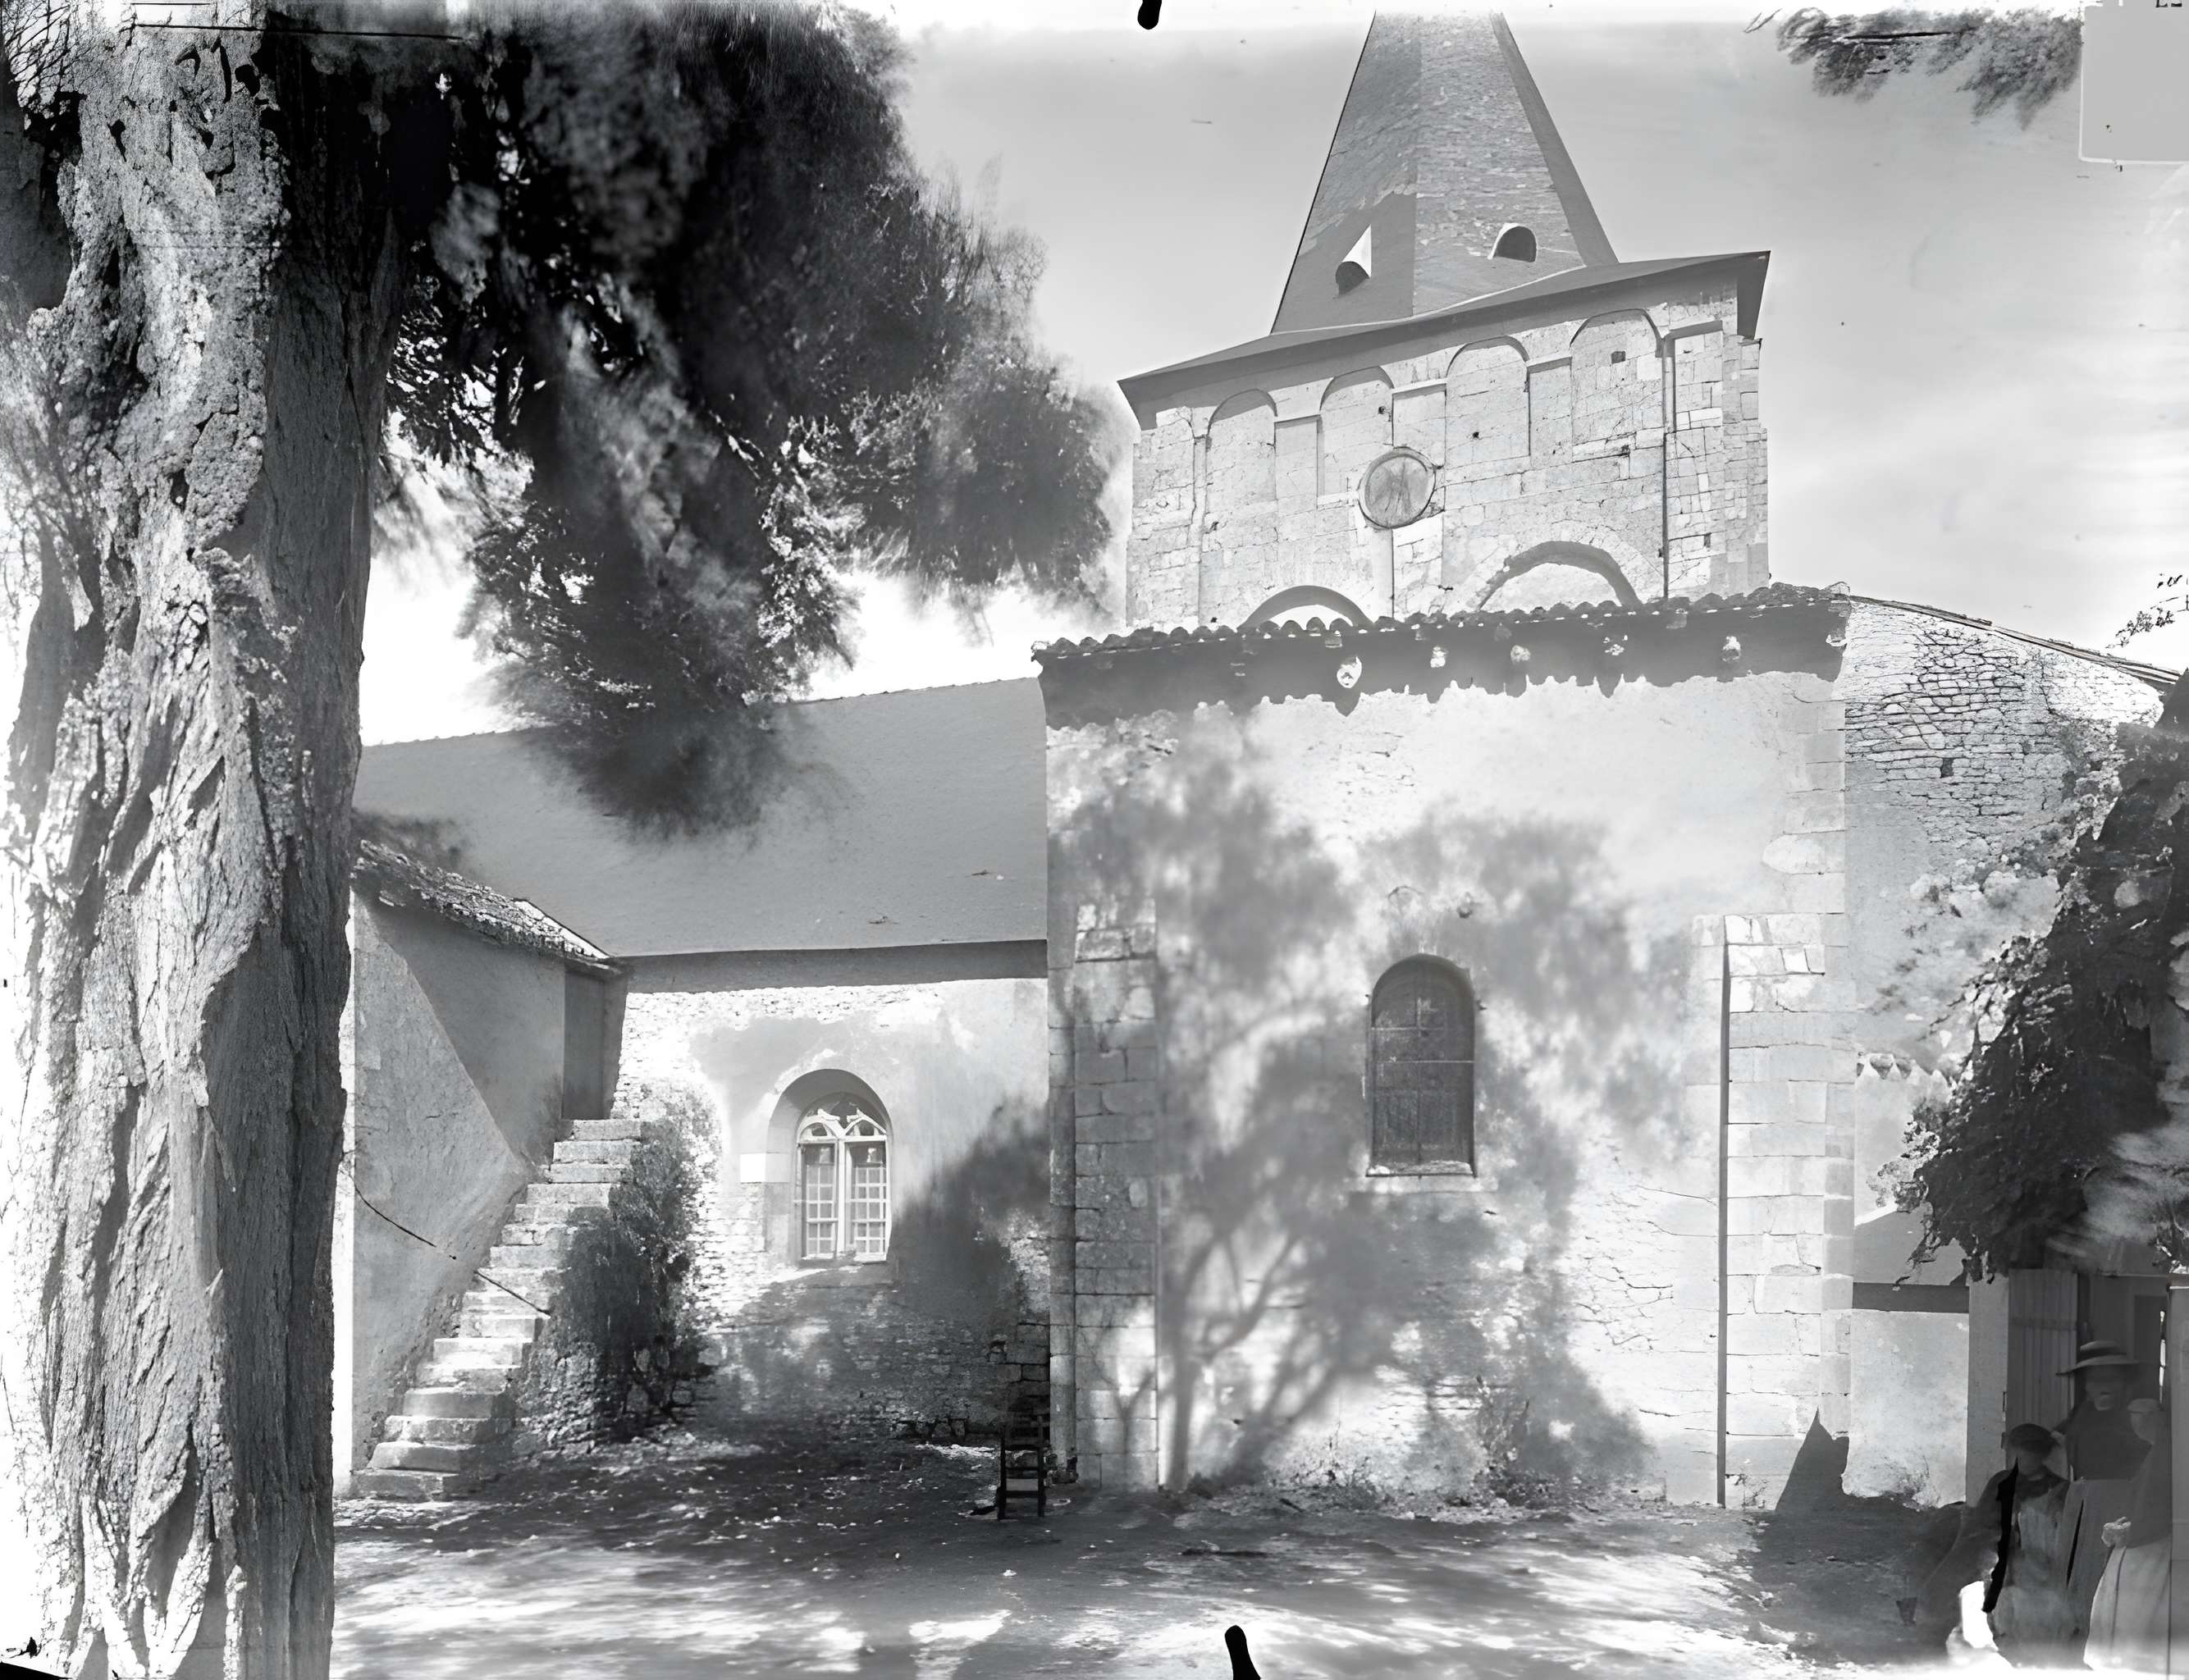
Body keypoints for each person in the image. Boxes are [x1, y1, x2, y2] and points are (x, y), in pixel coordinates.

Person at [1916, 1423, 2072, 1645]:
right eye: (2015, 1456)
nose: (2018, 1462)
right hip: (1991, 1548)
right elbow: (1982, 1522)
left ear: (2041, 1456)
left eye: (2026, 1457)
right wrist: (1993, 1546)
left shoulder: (2058, 1488)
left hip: (2035, 1558)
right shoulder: (2001, 1481)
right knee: (1944, 1587)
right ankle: (1934, 1636)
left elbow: (2060, 1534)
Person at [2056, 1342, 2155, 1640]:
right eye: (2094, 1379)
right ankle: (2079, 1627)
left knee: (2108, 1562)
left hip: (2120, 1495)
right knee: (2078, 1563)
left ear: (2125, 1382)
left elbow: (2151, 1450)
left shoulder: (2140, 1411)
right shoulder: (2083, 1411)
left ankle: (2103, 1633)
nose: (2101, 1386)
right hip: (2084, 1495)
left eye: (2110, 1379)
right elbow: (2056, 1438)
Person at [2084, 1397, 2173, 1676]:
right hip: (2142, 1540)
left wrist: (2132, 1531)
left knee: (2136, 1613)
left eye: (2138, 1419)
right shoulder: (2155, 1451)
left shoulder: (2169, 1452)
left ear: (2152, 1419)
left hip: (2157, 1545)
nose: (2135, 1426)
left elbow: (2165, 1508)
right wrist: (2123, 1525)